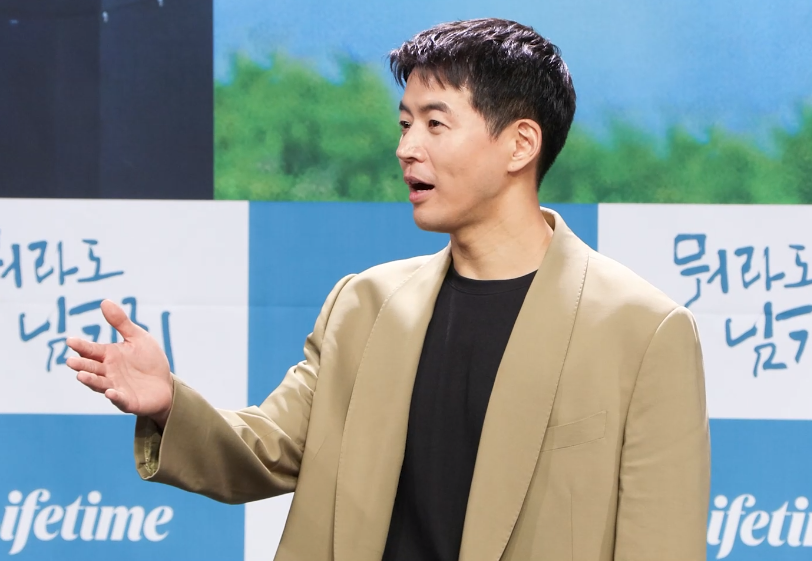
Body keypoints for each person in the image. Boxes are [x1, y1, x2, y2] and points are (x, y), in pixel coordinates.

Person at [66, 18, 710, 561]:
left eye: (435, 124)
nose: (407, 148)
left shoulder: (643, 331)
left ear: (520, 144)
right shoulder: (363, 304)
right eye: (405, 124)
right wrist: (168, 404)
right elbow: (269, 449)